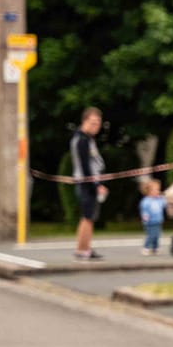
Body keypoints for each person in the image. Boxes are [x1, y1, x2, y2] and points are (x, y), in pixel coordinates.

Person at [71, 107, 108, 262]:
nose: (96, 126)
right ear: (84, 121)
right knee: (87, 217)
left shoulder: (87, 138)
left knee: (88, 217)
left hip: (89, 183)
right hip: (87, 184)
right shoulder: (82, 140)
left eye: (98, 123)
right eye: (93, 123)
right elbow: (85, 166)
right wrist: (96, 185)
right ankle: (82, 249)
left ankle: (84, 248)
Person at [139, 178, 167, 256]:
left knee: (157, 236)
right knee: (151, 235)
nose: (158, 191)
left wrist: (163, 197)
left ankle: (155, 248)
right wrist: (145, 220)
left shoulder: (159, 200)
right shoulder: (146, 201)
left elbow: (164, 204)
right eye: (156, 190)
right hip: (150, 222)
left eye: (158, 189)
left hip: (158, 221)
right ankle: (146, 247)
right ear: (149, 191)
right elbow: (144, 211)